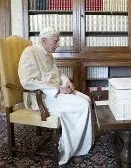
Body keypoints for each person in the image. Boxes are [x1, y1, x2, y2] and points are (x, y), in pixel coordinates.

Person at [18, 27, 94, 165]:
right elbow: (27, 82)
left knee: (87, 99)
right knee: (81, 104)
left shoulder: (48, 53)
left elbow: (57, 73)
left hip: (54, 93)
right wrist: (58, 89)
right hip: (40, 97)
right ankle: (69, 149)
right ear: (43, 40)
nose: (58, 44)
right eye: (55, 41)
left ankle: (82, 144)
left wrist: (67, 81)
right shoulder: (29, 52)